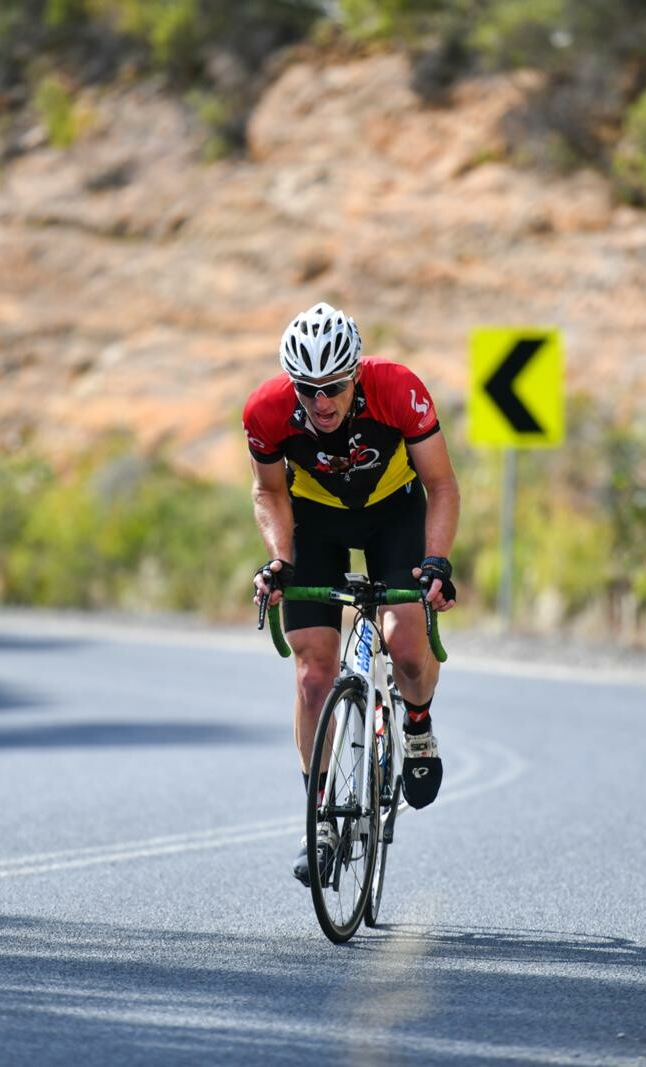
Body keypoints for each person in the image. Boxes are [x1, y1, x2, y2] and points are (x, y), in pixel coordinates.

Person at [244, 301, 460, 887]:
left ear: (356, 374)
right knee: (314, 673)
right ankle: (318, 818)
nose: (322, 402)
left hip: (394, 513)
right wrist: (281, 561)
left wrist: (436, 560)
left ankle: (416, 725)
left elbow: (440, 484)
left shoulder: (398, 390)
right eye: (309, 389)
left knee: (405, 643)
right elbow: (269, 493)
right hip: (316, 519)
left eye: (335, 386)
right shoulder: (267, 412)